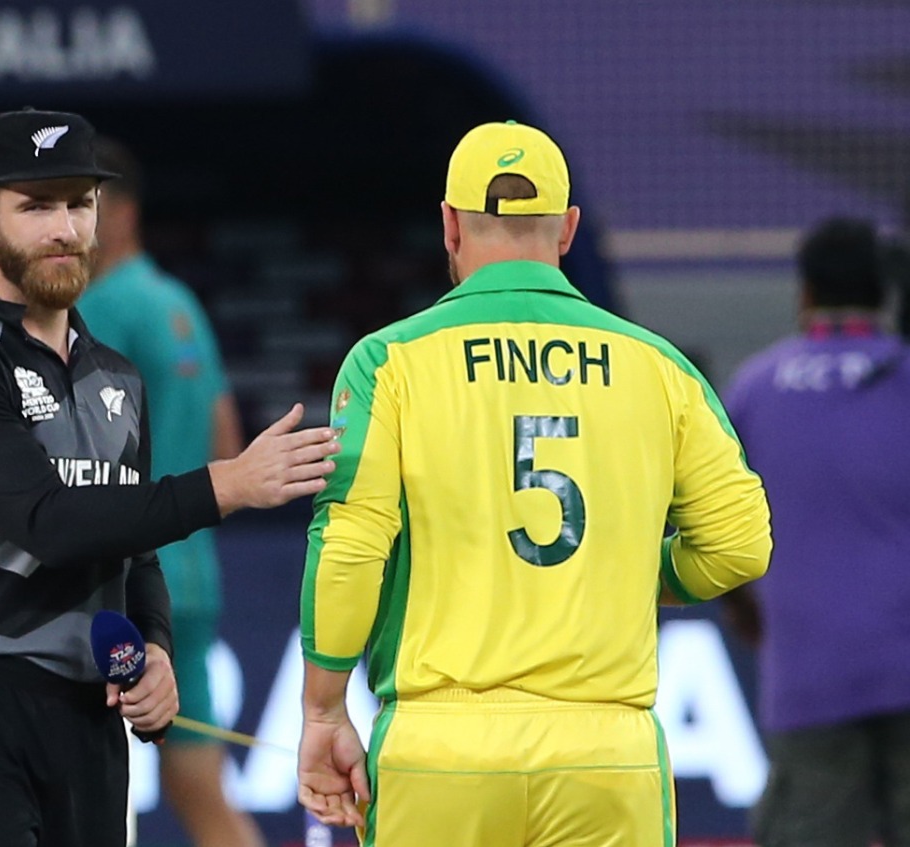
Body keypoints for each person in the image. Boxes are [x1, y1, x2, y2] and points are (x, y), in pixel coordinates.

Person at [295, 120, 772, 846]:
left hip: (441, 748)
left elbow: (350, 544)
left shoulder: (388, 361)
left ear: (449, 225)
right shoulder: (660, 366)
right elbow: (741, 546)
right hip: (607, 754)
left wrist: (324, 711)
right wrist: (635, 571)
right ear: (569, 228)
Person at [0, 107, 339, 847]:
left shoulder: (117, 375)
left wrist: (154, 645)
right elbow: (49, 523)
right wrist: (229, 483)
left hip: (84, 721)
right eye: (35, 206)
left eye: (77, 204)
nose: (62, 228)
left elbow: (131, 550)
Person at [76, 138, 266, 847]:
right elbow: (225, 438)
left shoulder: (99, 310)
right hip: (191, 578)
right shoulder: (178, 302)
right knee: (205, 802)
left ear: (118, 213)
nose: (66, 228)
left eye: (78, 206)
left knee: (76, 794)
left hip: (117, 588)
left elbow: (79, 453)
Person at [721, 218, 910, 847]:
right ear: (884, 292)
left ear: (803, 293)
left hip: (809, 677)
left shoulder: (753, 388)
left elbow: (709, 524)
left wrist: (747, 614)